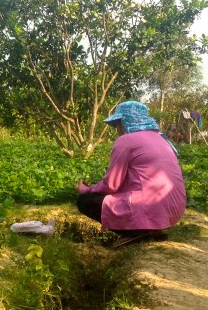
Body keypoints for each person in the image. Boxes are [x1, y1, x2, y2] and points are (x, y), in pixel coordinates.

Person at [75, 101, 186, 247]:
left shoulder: (126, 140)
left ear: (124, 122)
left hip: (150, 207)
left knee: (84, 201)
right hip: (174, 210)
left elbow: (111, 185)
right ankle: (151, 230)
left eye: (117, 124)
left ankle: (136, 232)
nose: (117, 129)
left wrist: (86, 189)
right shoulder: (161, 139)